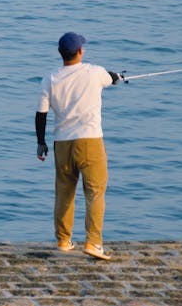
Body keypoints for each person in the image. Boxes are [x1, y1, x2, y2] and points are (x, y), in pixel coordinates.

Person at [35, 33, 121, 260]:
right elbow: (111, 78)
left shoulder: (50, 79)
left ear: (61, 54)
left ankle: (63, 240)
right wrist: (117, 77)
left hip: (62, 144)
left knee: (64, 192)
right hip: (90, 141)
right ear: (80, 52)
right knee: (95, 192)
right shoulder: (94, 72)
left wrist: (40, 142)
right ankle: (93, 243)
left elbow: (41, 114)